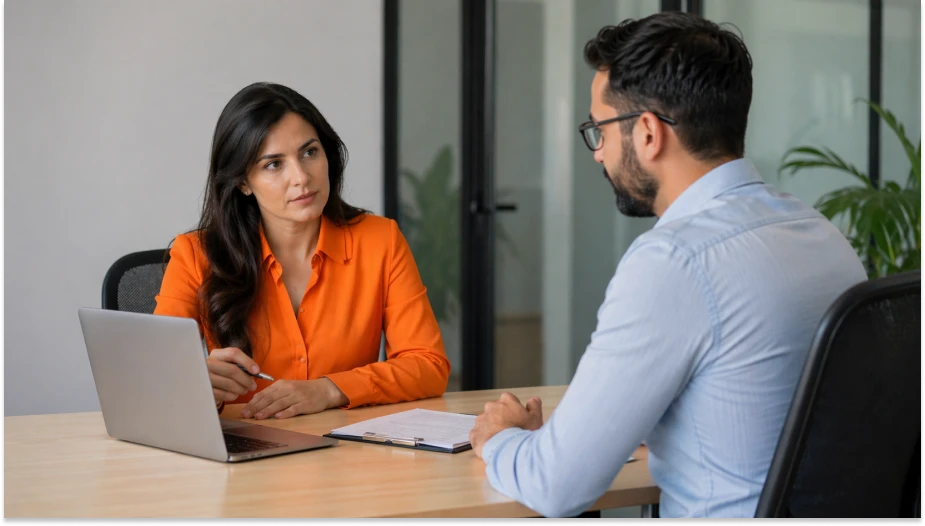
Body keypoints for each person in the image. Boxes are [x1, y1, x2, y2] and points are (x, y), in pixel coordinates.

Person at [468, 12, 867, 518]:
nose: (598, 154)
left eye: (599, 130)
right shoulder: (820, 233)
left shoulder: (675, 261)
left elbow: (555, 486)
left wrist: (499, 438)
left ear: (648, 133)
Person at [155, 82, 450, 420]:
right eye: (273, 164)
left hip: (346, 446)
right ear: (243, 182)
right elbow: (154, 376)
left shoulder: (380, 240)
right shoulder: (195, 255)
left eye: (310, 152)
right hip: (241, 443)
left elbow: (428, 365)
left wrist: (329, 389)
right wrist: (197, 383)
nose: (301, 177)